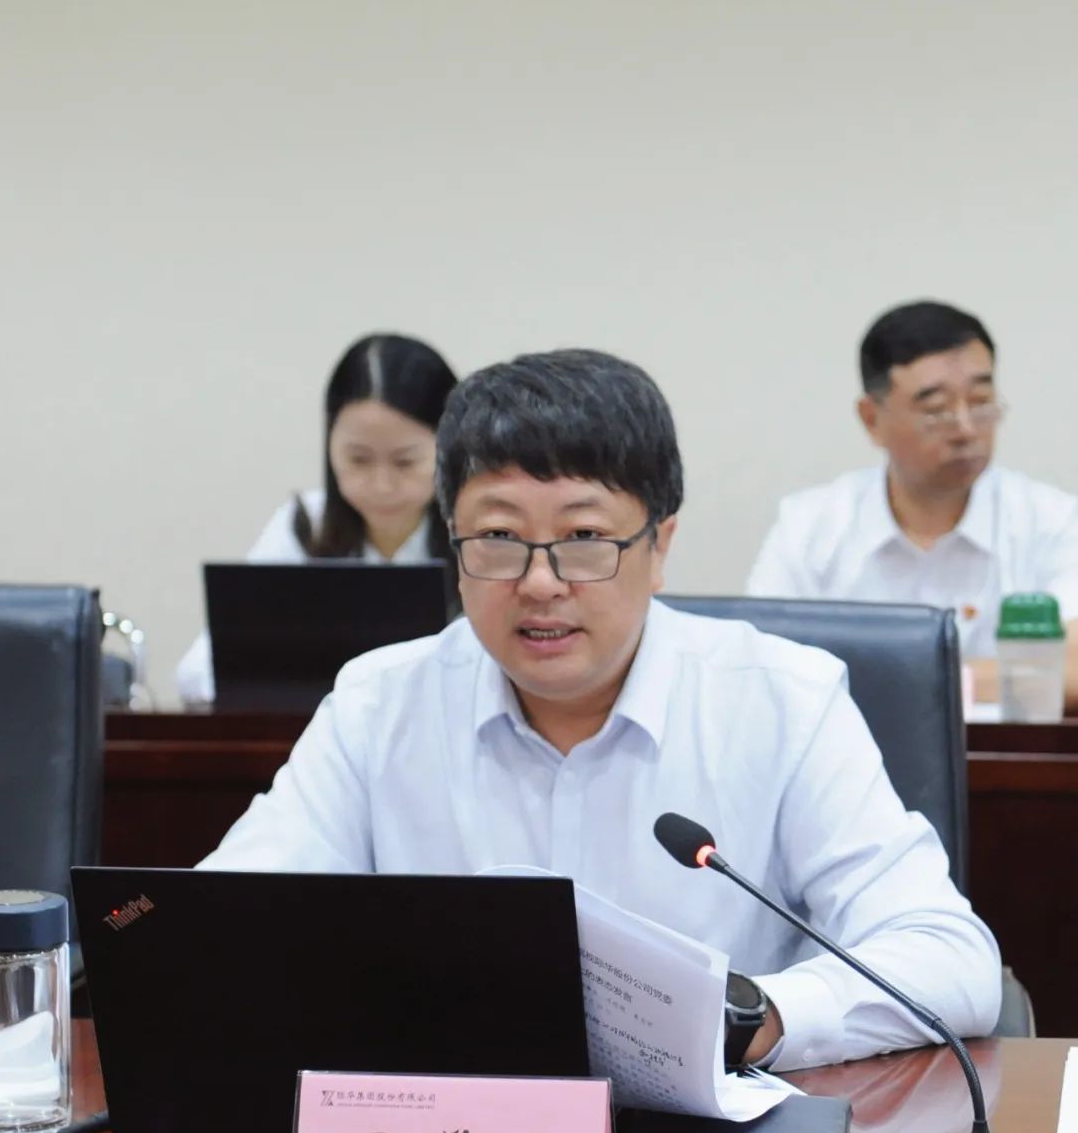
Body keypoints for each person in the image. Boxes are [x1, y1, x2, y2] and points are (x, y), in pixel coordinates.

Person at [200, 347, 1000, 1073]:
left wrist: (752, 1017)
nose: (540, 581)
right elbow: (219, 929)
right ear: (454, 546)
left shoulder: (782, 702)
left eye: (584, 536)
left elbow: (948, 957)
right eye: (498, 537)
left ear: (660, 545)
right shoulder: (379, 704)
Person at [746, 301, 1078, 708]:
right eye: (936, 410)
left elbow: (1073, 670)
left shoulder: (1052, 521)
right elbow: (763, 667)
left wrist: (889, 681)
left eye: (980, 401)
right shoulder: (809, 526)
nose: (966, 428)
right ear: (871, 419)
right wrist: (994, 678)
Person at [174, 333, 457, 702]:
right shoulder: (307, 525)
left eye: (405, 461)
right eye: (358, 459)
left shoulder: (477, 533)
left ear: (448, 447)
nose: (382, 485)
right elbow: (199, 672)